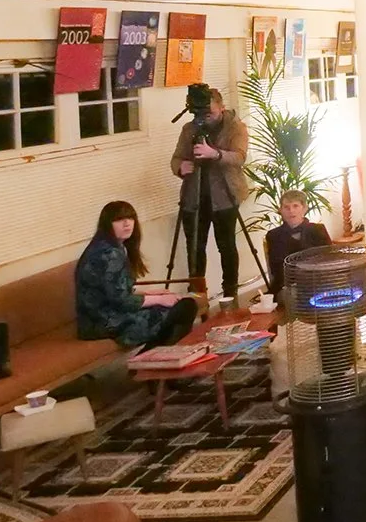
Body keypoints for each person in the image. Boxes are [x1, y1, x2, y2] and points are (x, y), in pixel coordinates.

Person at [76, 201, 199, 347]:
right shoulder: (109, 253)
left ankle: (155, 355)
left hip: (99, 318)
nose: (127, 223)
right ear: (107, 224)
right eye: (119, 219)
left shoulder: (106, 246)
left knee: (178, 308)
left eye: (130, 218)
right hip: (104, 322)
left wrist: (148, 293)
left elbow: (113, 290)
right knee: (184, 308)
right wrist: (159, 299)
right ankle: (155, 356)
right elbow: (122, 301)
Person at [170, 87, 249, 300]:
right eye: (201, 113)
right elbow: (176, 158)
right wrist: (180, 167)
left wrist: (214, 154)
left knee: (227, 246)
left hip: (225, 194)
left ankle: (230, 293)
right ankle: (198, 296)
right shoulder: (189, 129)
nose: (205, 118)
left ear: (222, 108)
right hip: (194, 195)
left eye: (210, 113)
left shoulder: (235, 127)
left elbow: (239, 158)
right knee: (195, 248)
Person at [264, 190, 331, 295]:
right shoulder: (273, 235)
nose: (291, 211)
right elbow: (277, 269)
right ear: (280, 210)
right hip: (289, 285)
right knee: (292, 296)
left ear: (304, 208)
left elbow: (329, 260)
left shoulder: (318, 230)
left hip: (319, 281)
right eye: (286, 207)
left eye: (295, 206)